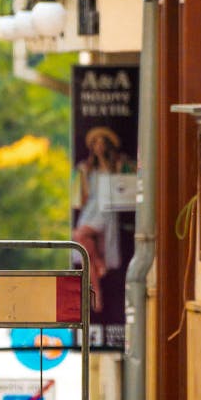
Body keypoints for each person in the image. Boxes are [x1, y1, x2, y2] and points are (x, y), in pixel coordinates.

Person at [72, 126, 129, 313]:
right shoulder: (88, 167)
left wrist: (106, 160)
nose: (99, 146)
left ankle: (97, 269)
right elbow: (83, 195)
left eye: (102, 143)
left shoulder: (116, 164)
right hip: (90, 209)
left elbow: (118, 184)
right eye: (96, 143)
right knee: (84, 248)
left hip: (105, 210)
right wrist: (82, 176)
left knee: (79, 235)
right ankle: (97, 290)